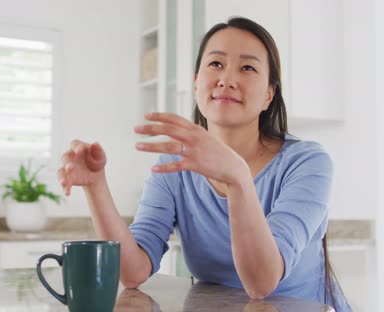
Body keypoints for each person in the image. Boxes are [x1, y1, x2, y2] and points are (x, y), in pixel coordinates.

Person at [57, 16, 351, 312]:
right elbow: (133, 271)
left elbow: (262, 284)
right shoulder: (176, 165)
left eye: (247, 67)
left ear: (268, 96)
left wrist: (237, 177)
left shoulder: (308, 162)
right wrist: (96, 185)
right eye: (215, 64)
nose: (227, 79)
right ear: (197, 83)